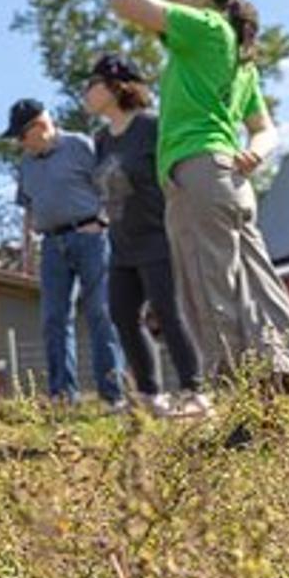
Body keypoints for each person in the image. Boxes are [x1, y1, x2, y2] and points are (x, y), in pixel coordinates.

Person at [108, 0, 289, 447]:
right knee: (262, 292)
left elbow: (128, 3)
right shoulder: (240, 58)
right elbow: (265, 130)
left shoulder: (204, 28)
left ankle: (250, 419)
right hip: (230, 180)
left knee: (211, 294)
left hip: (198, 177)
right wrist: (253, 156)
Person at [80, 53, 208, 417]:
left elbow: (176, 175)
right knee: (121, 314)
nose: (87, 93)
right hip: (121, 243)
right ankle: (151, 396)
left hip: (159, 236)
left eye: (92, 84)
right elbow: (109, 189)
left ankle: (194, 392)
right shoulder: (102, 139)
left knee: (170, 312)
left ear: (115, 85)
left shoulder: (151, 126)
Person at [5, 98, 127, 409]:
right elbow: (28, 208)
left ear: (40, 126)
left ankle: (113, 394)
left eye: (21, 135)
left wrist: (102, 220)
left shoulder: (80, 146)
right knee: (53, 319)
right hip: (51, 245)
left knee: (101, 313)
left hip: (91, 238)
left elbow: (111, 186)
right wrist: (26, 252)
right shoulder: (27, 163)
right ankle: (63, 395)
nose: (19, 143)